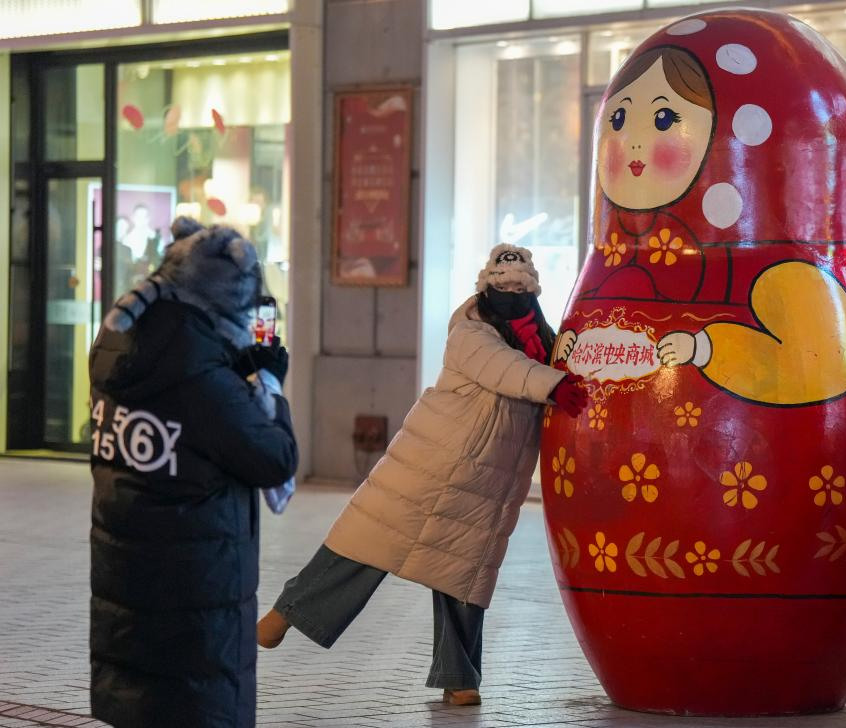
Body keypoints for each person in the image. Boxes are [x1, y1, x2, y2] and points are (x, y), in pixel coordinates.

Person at [256, 243, 588, 705]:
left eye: (521, 290)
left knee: (465, 573)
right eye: (505, 288)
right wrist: (553, 384)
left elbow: (543, 368)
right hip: (437, 459)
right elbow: (502, 367)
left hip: (488, 481)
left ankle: (460, 676)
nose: (513, 297)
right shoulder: (470, 331)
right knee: (366, 540)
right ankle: (284, 615)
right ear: (487, 287)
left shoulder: (542, 338)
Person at [89, 216, 298, 728]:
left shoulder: (120, 353)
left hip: (127, 595)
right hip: (197, 606)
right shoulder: (202, 380)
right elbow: (274, 457)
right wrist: (269, 383)